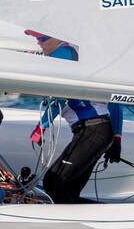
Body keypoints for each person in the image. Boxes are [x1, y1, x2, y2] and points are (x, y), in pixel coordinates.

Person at [25, 31, 122, 204]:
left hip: (92, 131)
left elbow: (59, 96)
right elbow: (114, 102)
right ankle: (96, 217)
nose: (39, 43)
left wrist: (42, 126)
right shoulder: (79, 55)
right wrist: (116, 138)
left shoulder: (63, 54)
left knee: (53, 183)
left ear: (57, 37)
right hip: (98, 131)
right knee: (68, 190)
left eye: (42, 39)